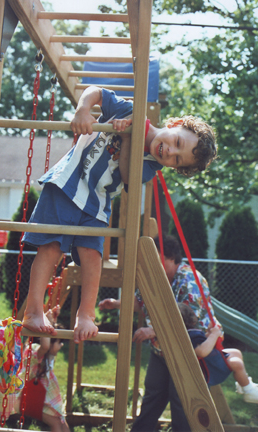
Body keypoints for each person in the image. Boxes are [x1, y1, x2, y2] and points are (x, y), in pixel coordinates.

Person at [22, 85, 217, 343]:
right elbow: (96, 92)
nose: (170, 152)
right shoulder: (129, 110)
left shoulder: (151, 165)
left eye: (178, 160)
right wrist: (83, 110)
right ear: (176, 124)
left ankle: (86, 314)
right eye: (177, 142)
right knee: (51, 247)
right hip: (68, 182)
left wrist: (127, 138)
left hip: (97, 202)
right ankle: (34, 311)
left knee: (93, 257)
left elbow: (127, 176)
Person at [99, 233, 220, 432]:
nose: (153, 264)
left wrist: (153, 330)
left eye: (157, 259)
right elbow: (141, 300)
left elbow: (189, 319)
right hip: (162, 349)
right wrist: (117, 304)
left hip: (187, 351)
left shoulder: (190, 280)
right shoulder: (156, 276)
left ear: (171, 258)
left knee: (181, 399)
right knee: (153, 394)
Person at [0, 308, 70, 432]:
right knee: (56, 423)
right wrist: (47, 322)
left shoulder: (48, 357)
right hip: (23, 397)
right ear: (50, 343)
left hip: (39, 397)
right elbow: (45, 345)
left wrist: (52, 321)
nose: (61, 345)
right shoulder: (34, 352)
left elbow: (48, 343)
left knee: (62, 421)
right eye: (59, 342)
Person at [178, 302, 258, 403]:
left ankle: (244, 384)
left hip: (210, 360)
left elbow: (202, 343)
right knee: (237, 363)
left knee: (236, 352)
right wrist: (214, 335)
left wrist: (209, 333)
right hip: (209, 367)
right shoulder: (190, 335)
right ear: (192, 319)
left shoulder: (190, 333)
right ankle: (249, 391)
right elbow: (202, 351)